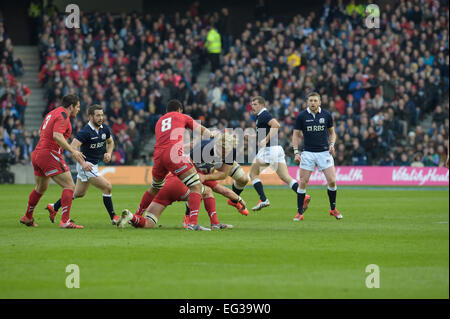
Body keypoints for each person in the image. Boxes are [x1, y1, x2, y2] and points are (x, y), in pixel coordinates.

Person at [133, 99, 214, 231]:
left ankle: (137, 215)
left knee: (154, 188)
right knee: (196, 186)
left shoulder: (159, 121)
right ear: (180, 110)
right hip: (174, 154)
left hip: (158, 156)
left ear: (166, 111)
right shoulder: (182, 116)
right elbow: (201, 130)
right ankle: (192, 224)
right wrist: (212, 134)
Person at [20, 94, 86, 229]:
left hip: (37, 153)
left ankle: (28, 216)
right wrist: (72, 150)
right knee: (70, 186)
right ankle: (65, 221)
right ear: (71, 106)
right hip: (49, 154)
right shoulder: (63, 116)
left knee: (41, 188)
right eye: (78, 107)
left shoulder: (52, 113)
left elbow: (41, 132)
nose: (78, 110)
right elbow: (57, 135)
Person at [46, 104, 118, 225]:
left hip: (93, 165)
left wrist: (109, 154)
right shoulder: (85, 132)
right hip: (86, 165)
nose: (101, 118)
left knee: (79, 193)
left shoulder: (104, 129)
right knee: (107, 187)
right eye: (98, 115)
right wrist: (83, 163)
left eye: (102, 115)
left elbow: (110, 142)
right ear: (90, 116)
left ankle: (54, 206)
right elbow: (73, 148)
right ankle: (113, 217)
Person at [248, 96, 311, 216]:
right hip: (277, 149)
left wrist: (265, 140)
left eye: (255, 104)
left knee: (253, 174)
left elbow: (276, 125)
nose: (252, 107)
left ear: (261, 105)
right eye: (252, 105)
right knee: (285, 177)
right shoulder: (260, 117)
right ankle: (303, 196)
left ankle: (263, 199)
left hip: (268, 150)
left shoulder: (264, 114)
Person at [118, 172, 243, 230]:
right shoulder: (202, 171)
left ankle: (131, 217)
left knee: (149, 223)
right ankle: (212, 223)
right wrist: (239, 200)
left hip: (165, 188)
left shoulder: (186, 162)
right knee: (207, 191)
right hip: (181, 188)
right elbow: (223, 191)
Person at [292, 92, 343, 221]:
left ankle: (333, 209)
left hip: (324, 152)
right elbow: (296, 135)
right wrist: (296, 152)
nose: (313, 103)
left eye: (315, 100)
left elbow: (332, 133)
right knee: (303, 182)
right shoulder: (301, 116)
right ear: (307, 102)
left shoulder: (326, 115)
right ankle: (299, 213)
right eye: (311, 100)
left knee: (332, 180)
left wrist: (332, 144)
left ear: (320, 102)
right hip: (308, 153)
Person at [192, 133, 249, 216]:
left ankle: (233, 201)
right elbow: (189, 165)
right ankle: (188, 215)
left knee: (243, 179)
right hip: (203, 163)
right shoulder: (203, 147)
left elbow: (223, 174)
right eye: (224, 150)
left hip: (218, 162)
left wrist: (205, 177)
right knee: (196, 187)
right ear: (217, 145)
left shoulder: (231, 149)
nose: (226, 154)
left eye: (228, 151)